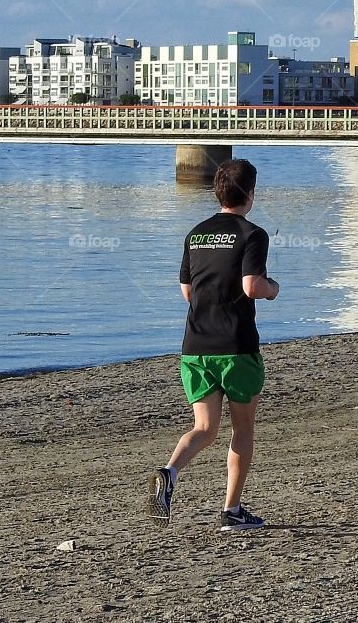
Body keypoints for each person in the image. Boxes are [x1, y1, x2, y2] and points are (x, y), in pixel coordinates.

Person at [148, 157, 279, 532]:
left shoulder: (196, 233)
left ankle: (170, 472)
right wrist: (273, 290)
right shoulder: (253, 234)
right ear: (250, 194)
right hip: (236, 346)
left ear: (217, 192)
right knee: (242, 430)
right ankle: (232, 510)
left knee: (204, 428)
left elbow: (187, 291)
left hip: (196, 346)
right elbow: (252, 285)